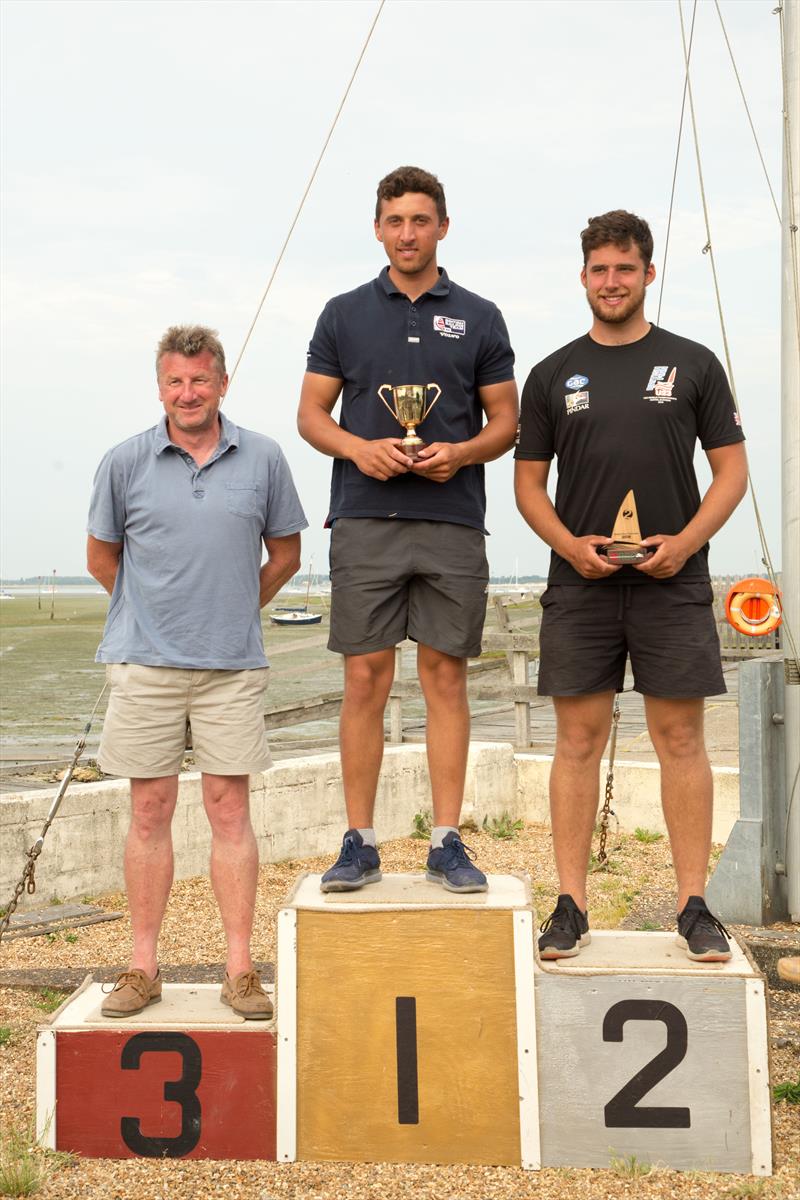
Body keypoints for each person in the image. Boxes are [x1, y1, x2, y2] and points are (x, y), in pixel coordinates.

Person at [514, 210, 748, 963]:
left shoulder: (693, 364)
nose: (611, 281)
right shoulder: (552, 374)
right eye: (599, 269)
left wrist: (686, 543)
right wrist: (566, 546)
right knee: (577, 741)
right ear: (583, 277)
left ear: (649, 274)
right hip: (579, 584)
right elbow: (527, 487)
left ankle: (693, 906)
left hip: (673, 581)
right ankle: (570, 905)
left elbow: (732, 472)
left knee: (680, 738)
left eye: (625, 268)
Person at [298, 166, 518, 894]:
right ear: (378, 229)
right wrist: (359, 448)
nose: (408, 233)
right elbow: (311, 416)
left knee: (445, 677)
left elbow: (506, 423)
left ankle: (447, 841)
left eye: (421, 220)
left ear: (442, 227)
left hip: (453, 518)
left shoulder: (481, 316)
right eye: (394, 221)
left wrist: (458, 453)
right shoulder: (342, 313)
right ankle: (358, 842)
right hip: (365, 519)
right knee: (364, 677)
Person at [87, 324, 307, 1017]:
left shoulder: (265, 458)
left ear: (222, 383)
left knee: (229, 810)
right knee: (148, 811)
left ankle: (240, 970)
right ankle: (141, 967)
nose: (188, 393)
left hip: (231, 670)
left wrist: (234, 610)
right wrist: (154, 619)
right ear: (161, 388)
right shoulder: (122, 463)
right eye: (176, 382)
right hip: (144, 667)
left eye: (200, 380)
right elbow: (102, 560)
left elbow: (286, 555)